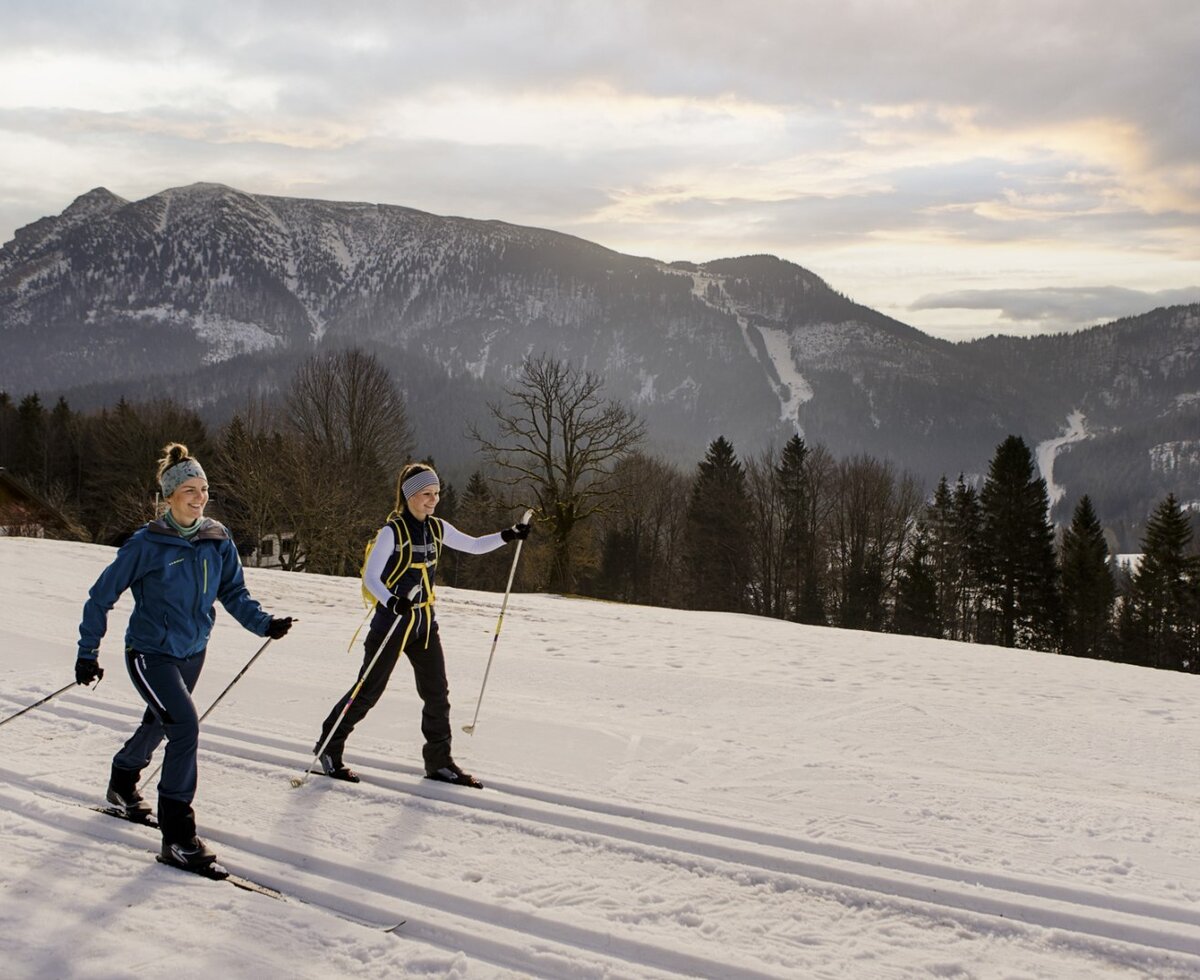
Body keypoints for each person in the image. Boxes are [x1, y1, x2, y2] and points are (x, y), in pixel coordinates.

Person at [75, 442, 293, 871]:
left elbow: (233, 592)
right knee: (185, 726)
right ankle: (177, 835)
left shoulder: (217, 538)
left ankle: (122, 782)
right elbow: (100, 597)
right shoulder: (146, 544)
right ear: (169, 496)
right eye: (190, 489)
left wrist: (264, 623)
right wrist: (88, 653)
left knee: (162, 723)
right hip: (150, 653)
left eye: (204, 488)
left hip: (193, 651)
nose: (199, 496)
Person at [313, 462, 530, 788]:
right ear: (410, 495)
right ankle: (329, 748)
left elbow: (472, 545)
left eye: (437, 493)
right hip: (393, 624)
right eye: (427, 494)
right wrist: (391, 601)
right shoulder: (392, 532)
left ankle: (440, 763)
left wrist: (507, 535)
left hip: (424, 623)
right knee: (367, 691)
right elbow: (371, 577)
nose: (434, 500)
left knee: (437, 694)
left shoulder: (437, 527)